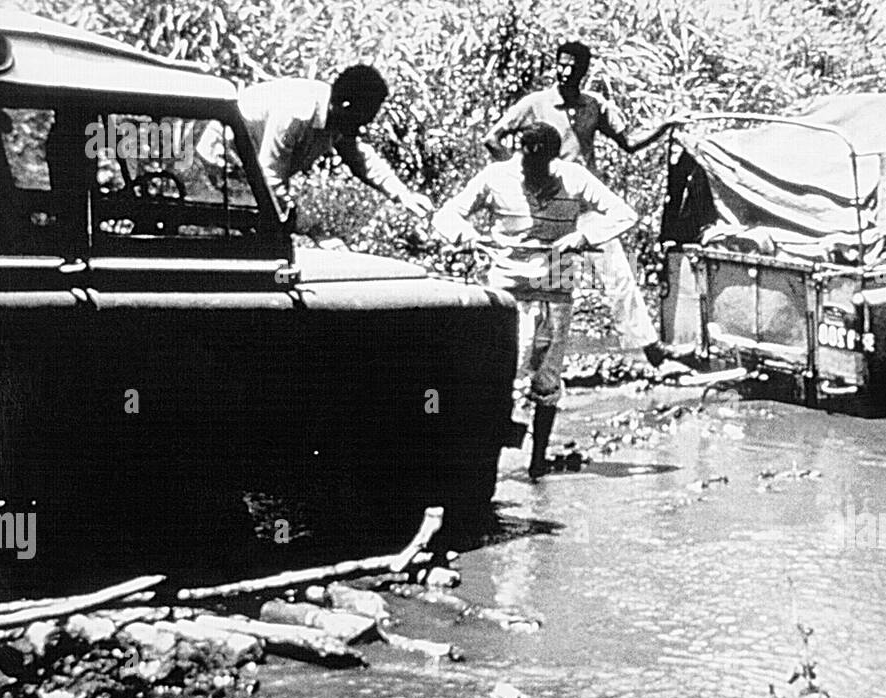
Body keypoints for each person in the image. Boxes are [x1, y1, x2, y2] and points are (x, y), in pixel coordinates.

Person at [433, 122, 637, 479]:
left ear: (553, 159)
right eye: (528, 165)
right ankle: (488, 466)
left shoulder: (572, 177)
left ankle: (537, 461)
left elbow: (624, 214)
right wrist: (469, 236)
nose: (534, 174)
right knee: (500, 377)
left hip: (555, 290)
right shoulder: (496, 176)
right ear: (519, 153)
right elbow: (446, 214)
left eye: (542, 167)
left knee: (547, 380)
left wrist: (583, 236)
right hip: (507, 292)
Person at [483, 41, 677, 367]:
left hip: (586, 209)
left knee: (619, 276)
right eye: (561, 65)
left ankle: (652, 352)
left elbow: (628, 142)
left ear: (585, 71)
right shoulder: (536, 104)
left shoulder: (593, 106)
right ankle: (530, 366)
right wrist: (517, 177)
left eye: (573, 67)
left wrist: (664, 126)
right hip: (550, 210)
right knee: (547, 289)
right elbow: (492, 138)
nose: (565, 71)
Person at [224, 65, 433, 228]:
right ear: (346, 107)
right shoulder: (297, 111)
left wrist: (403, 194)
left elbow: (360, 157)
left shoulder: (338, 113)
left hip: (248, 175)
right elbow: (269, 176)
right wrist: (309, 228)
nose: (362, 127)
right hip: (220, 166)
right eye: (361, 120)